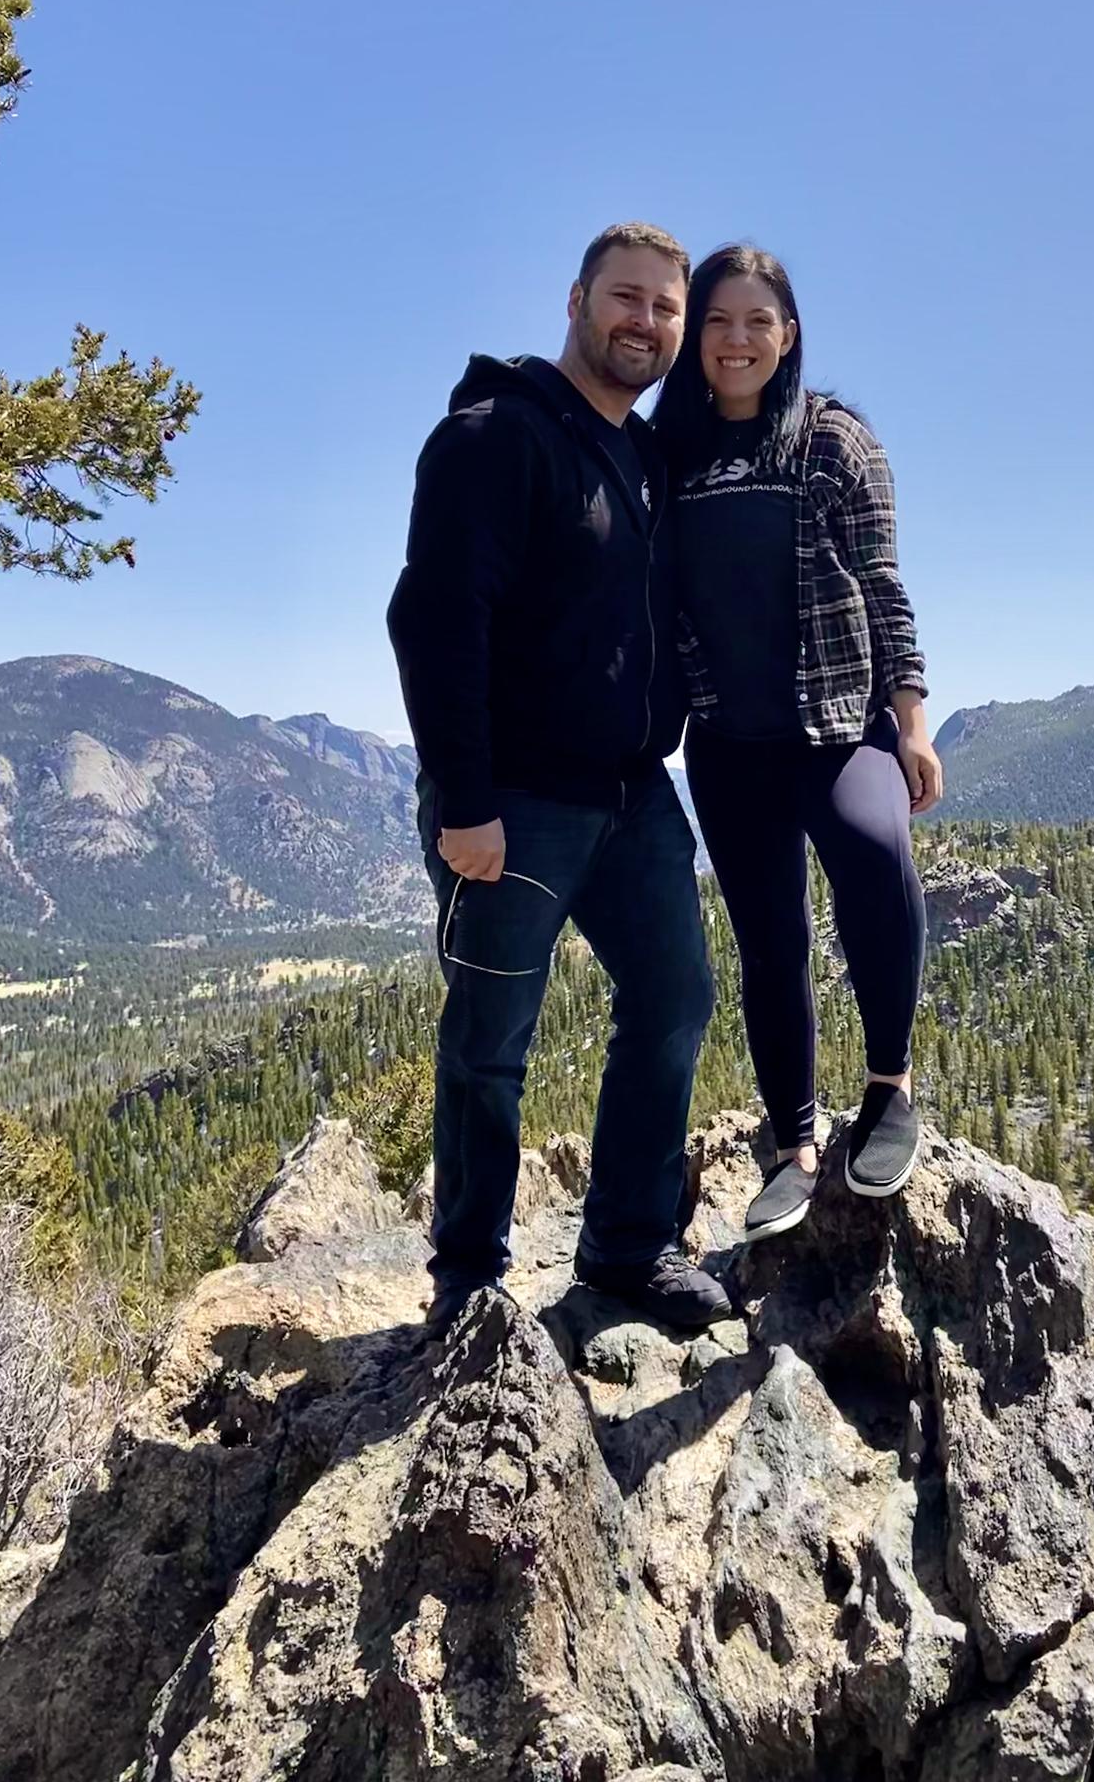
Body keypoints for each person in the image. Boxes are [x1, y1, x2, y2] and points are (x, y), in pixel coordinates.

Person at [387, 223, 731, 1335]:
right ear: (577, 299)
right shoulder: (496, 438)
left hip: (635, 794)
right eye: (627, 299)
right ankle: (470, 1276)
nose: (646, 323)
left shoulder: (642, 460)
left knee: (674, 999)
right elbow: (436, 621)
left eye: (664, 310)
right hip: (516, 803)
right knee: (491, 1036)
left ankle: (627, 1248)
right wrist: (468, 800)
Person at [654, 244, 942, 1244]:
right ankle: (792, 1143)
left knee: (873, 850)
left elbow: (884, 584)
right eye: (718, 320)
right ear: (696, 336)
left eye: (757, 321)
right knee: (769, 938)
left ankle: (890, 1086)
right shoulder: (674, 455)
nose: (736, 340)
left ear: (789, 332)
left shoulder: (832, 441)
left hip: (836, 726)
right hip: (726, 742)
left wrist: (911, 721)